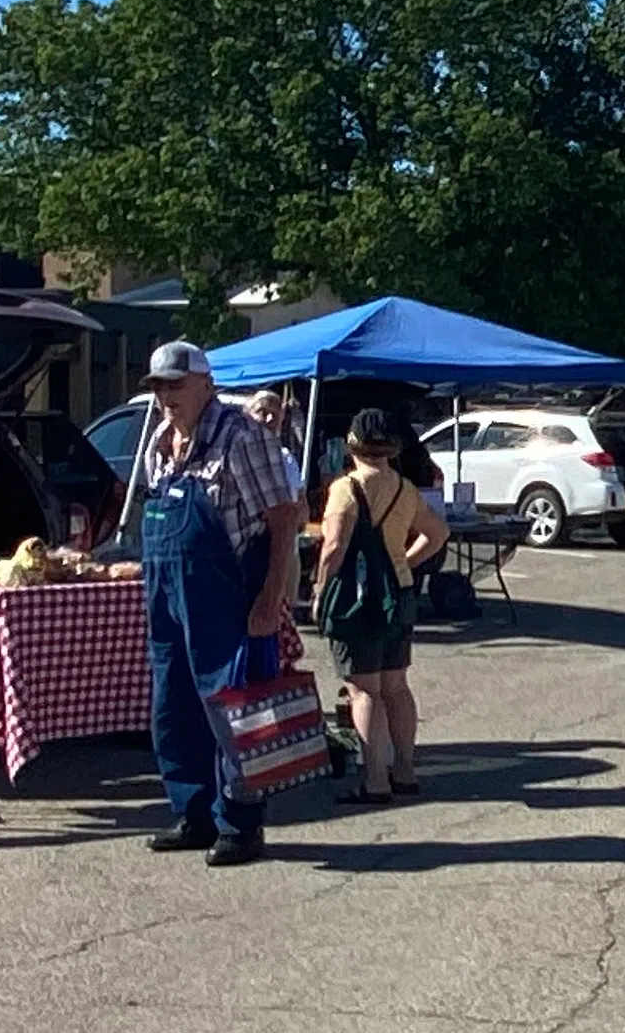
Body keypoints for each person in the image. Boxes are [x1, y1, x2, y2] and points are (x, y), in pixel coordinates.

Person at [131, 339, 306, 867]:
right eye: (158, 387)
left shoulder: (242, 436)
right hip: (167, 594)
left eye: (175, 385)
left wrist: (271, 596)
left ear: (207, 384)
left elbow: (282, 520)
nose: (166, 397)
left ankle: (241, 824)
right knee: (172, 706)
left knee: (233, 710)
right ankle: (193, 813)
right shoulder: (160, 441)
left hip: (228, 592)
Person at [317, 408, 447, 803]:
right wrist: (403, 561)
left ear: (352, 444)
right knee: (396, 685)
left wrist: (320, 588)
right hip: (399, 591)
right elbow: (438, 533)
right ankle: (404, 770)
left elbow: (335, 545)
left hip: (358, 599)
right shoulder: (404, 487)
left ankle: (375, 779)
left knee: (363, 690)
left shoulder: (347, 488)